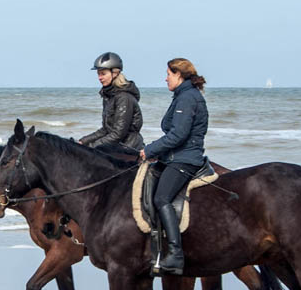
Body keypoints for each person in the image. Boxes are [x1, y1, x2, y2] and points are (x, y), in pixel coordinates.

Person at [138, 57, 210, 275]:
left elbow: (178, 134)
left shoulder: (187, 98)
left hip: (185, 159)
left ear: (179, 74)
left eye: (168, 74)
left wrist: (149, 150)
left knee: (161, 198)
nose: (166, 78)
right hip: (175, 156)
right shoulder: (182, 96)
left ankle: (176, 254)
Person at [78, 52, 144, 151]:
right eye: (98, 74)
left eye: (103, 74)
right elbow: (106, 130)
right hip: (115, 146)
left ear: (115, 73)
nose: (100, 78)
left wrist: (92, 147)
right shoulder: (109, 96)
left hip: (128, 148)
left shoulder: (124, 98)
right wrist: (83, 141)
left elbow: (118, 134)